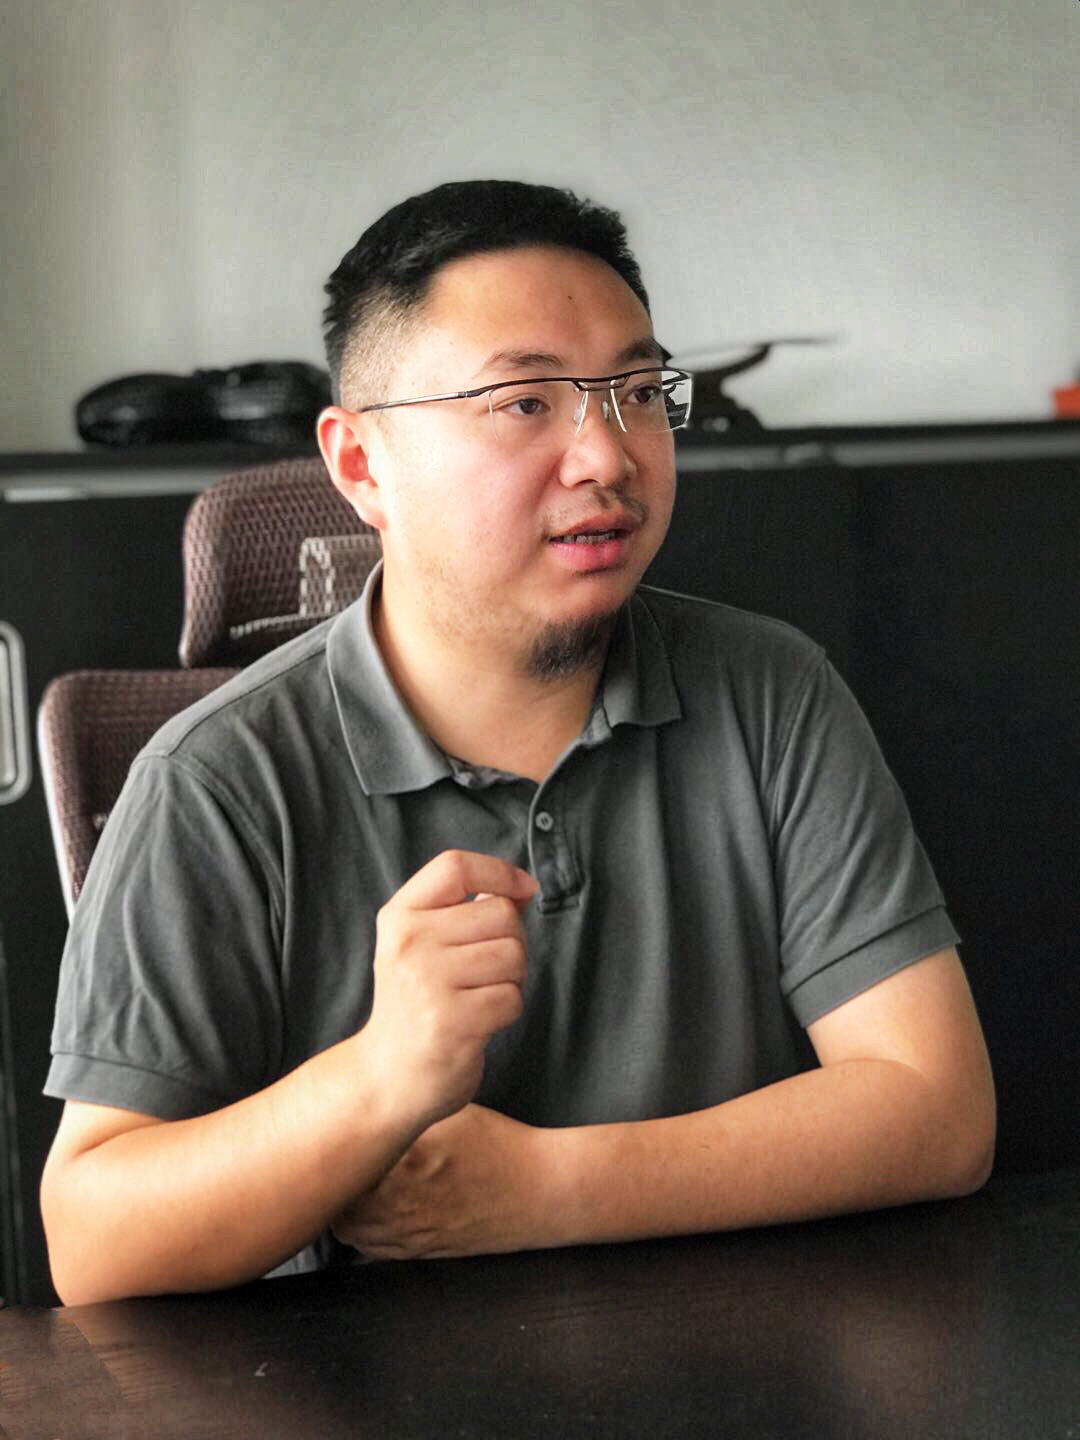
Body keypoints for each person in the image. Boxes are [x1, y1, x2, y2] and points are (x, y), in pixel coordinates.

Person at [41, 180, 995, 1306]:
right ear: (361, 465)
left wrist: (547, 1189)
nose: (608, 458)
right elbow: (95, 1243)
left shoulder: (771, 692)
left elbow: (939, 1109)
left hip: (752, 1360)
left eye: (637, 392)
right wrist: (378, 1077)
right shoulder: (214, 784)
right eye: (524, 402)